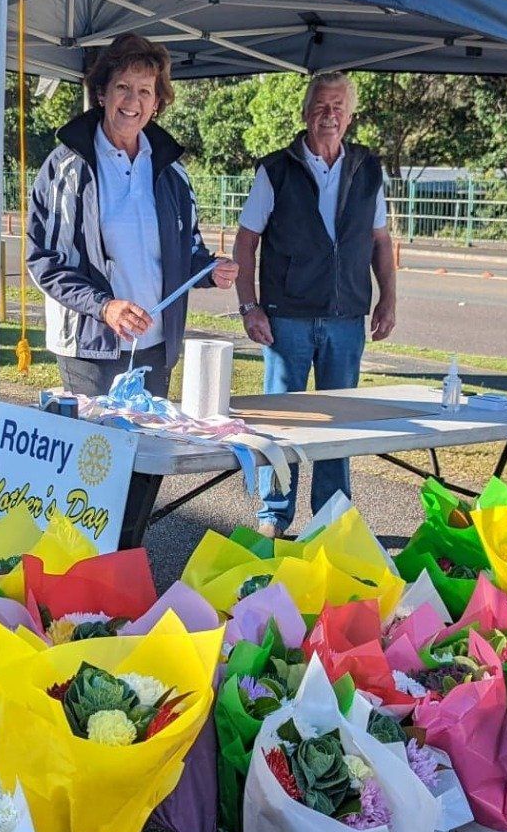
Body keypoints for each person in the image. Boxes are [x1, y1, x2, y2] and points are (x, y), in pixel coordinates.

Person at [27, 33, 238, 398]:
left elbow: (187, 252)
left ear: (156, 103)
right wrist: (104, 307)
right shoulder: (66, 167)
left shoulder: (173, 173)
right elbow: (45, 261)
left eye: (145, 91)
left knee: (150, 450)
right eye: (123, 87)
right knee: (96, 452)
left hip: (155, 347)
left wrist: (210, 270)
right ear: (102, 94)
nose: (132, 101)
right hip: (89, 349)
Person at [232, 73, 397, 534]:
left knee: (336, 425)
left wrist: (388, 298)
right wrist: (250, 306)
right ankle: (273, 515)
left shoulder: (368, 169)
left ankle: (331, 517)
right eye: (321, 106)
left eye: (338, 107)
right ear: (305, 112)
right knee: (282, 421)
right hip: (287, 318)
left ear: (350, 115)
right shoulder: (275, 169)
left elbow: (380, 241)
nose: (329, 115)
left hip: (347, 318)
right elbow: (246, 241)